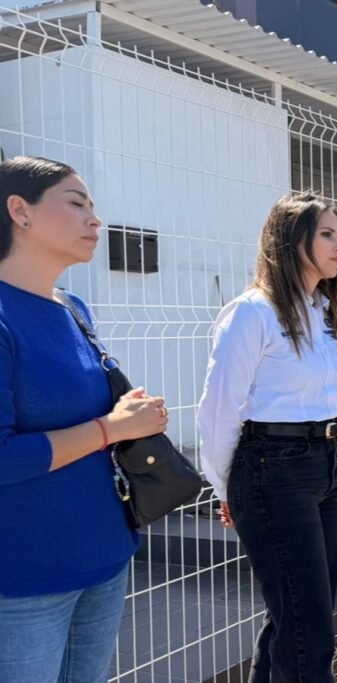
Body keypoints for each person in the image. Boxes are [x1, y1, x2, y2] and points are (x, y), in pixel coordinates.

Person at [0, 156, 168, 682]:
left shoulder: (72, 307)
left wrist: (127, 415)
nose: (95, 219)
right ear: (20, 211)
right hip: (24, 577)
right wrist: (112, 428)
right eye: (76, 204)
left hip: (105, 557)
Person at [197, 193, 337, 683]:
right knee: (308, 628)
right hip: (272, 468)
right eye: (326, 235)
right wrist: (228, 490)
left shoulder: (325, 310)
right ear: (291, 239)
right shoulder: (253, 312)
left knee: (298, 616)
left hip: (327, 463)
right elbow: (218, 411)